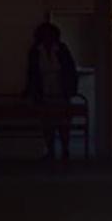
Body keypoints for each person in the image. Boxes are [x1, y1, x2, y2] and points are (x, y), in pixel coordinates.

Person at [24, 22, 78, 160]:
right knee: (47, 123)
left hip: (60, 89)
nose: (47, 38)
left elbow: (70, 70)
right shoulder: (36, 51)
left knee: (63, 122)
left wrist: (70, 88)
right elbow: (32, 73)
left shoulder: (61, 49)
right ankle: (50, 149)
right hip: (44, 90)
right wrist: (31, 91)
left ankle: (65, 149)